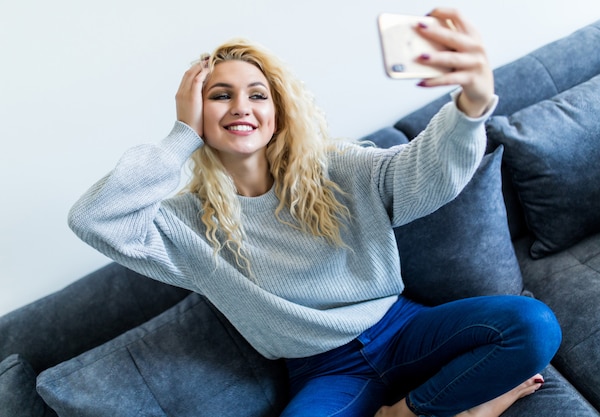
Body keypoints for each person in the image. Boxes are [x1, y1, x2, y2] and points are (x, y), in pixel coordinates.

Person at [68, 7, 561, 417]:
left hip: (404, 329)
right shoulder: (182, 225)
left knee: (532, 324)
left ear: (277, 112)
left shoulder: (337, 168)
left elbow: (424, 173)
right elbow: (94, 218)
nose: (241, 106)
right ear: (197, 112)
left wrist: (471, 105)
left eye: (256, 95)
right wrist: (181, 135)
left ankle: (408, 413)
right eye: (220, 96)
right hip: (324, 369)